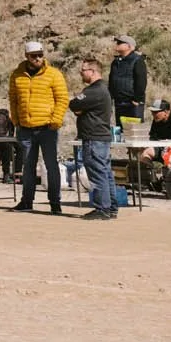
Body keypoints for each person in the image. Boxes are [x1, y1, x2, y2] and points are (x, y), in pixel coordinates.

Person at [7, 41, 69, 214]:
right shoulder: (16, 75)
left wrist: (56, 120)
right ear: (26, 56)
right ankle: (27, 202)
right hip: (25, 128)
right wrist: (16, 120)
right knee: (28, 166)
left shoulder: (54, 74)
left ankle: (55, 203)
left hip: (47, 128)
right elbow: (13, 99)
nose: (38, 59)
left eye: (40, 55)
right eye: (34, 56)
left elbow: (62, 99)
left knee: (51, 165)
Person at [68, 58, 117, 220]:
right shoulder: (102, 89)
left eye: (83, 70)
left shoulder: (94, 91)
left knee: (97, 174)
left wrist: (80, 109)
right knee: (105, 173)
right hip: (100, 138)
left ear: (93, 71)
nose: (81, 73)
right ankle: (110, 208)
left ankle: (102, 208)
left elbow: (74, 104)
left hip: (94, 138)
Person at [109, 36, 148, 127]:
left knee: (134, 130)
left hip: (132, 103)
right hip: (119, 102)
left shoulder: (138, 60)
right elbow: (111, 80)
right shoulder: (115, 62)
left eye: (120, 43)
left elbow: (141, 82)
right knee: (121, 130)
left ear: (129, 46)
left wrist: (137, 99)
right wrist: (110, 97)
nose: (117, 44)